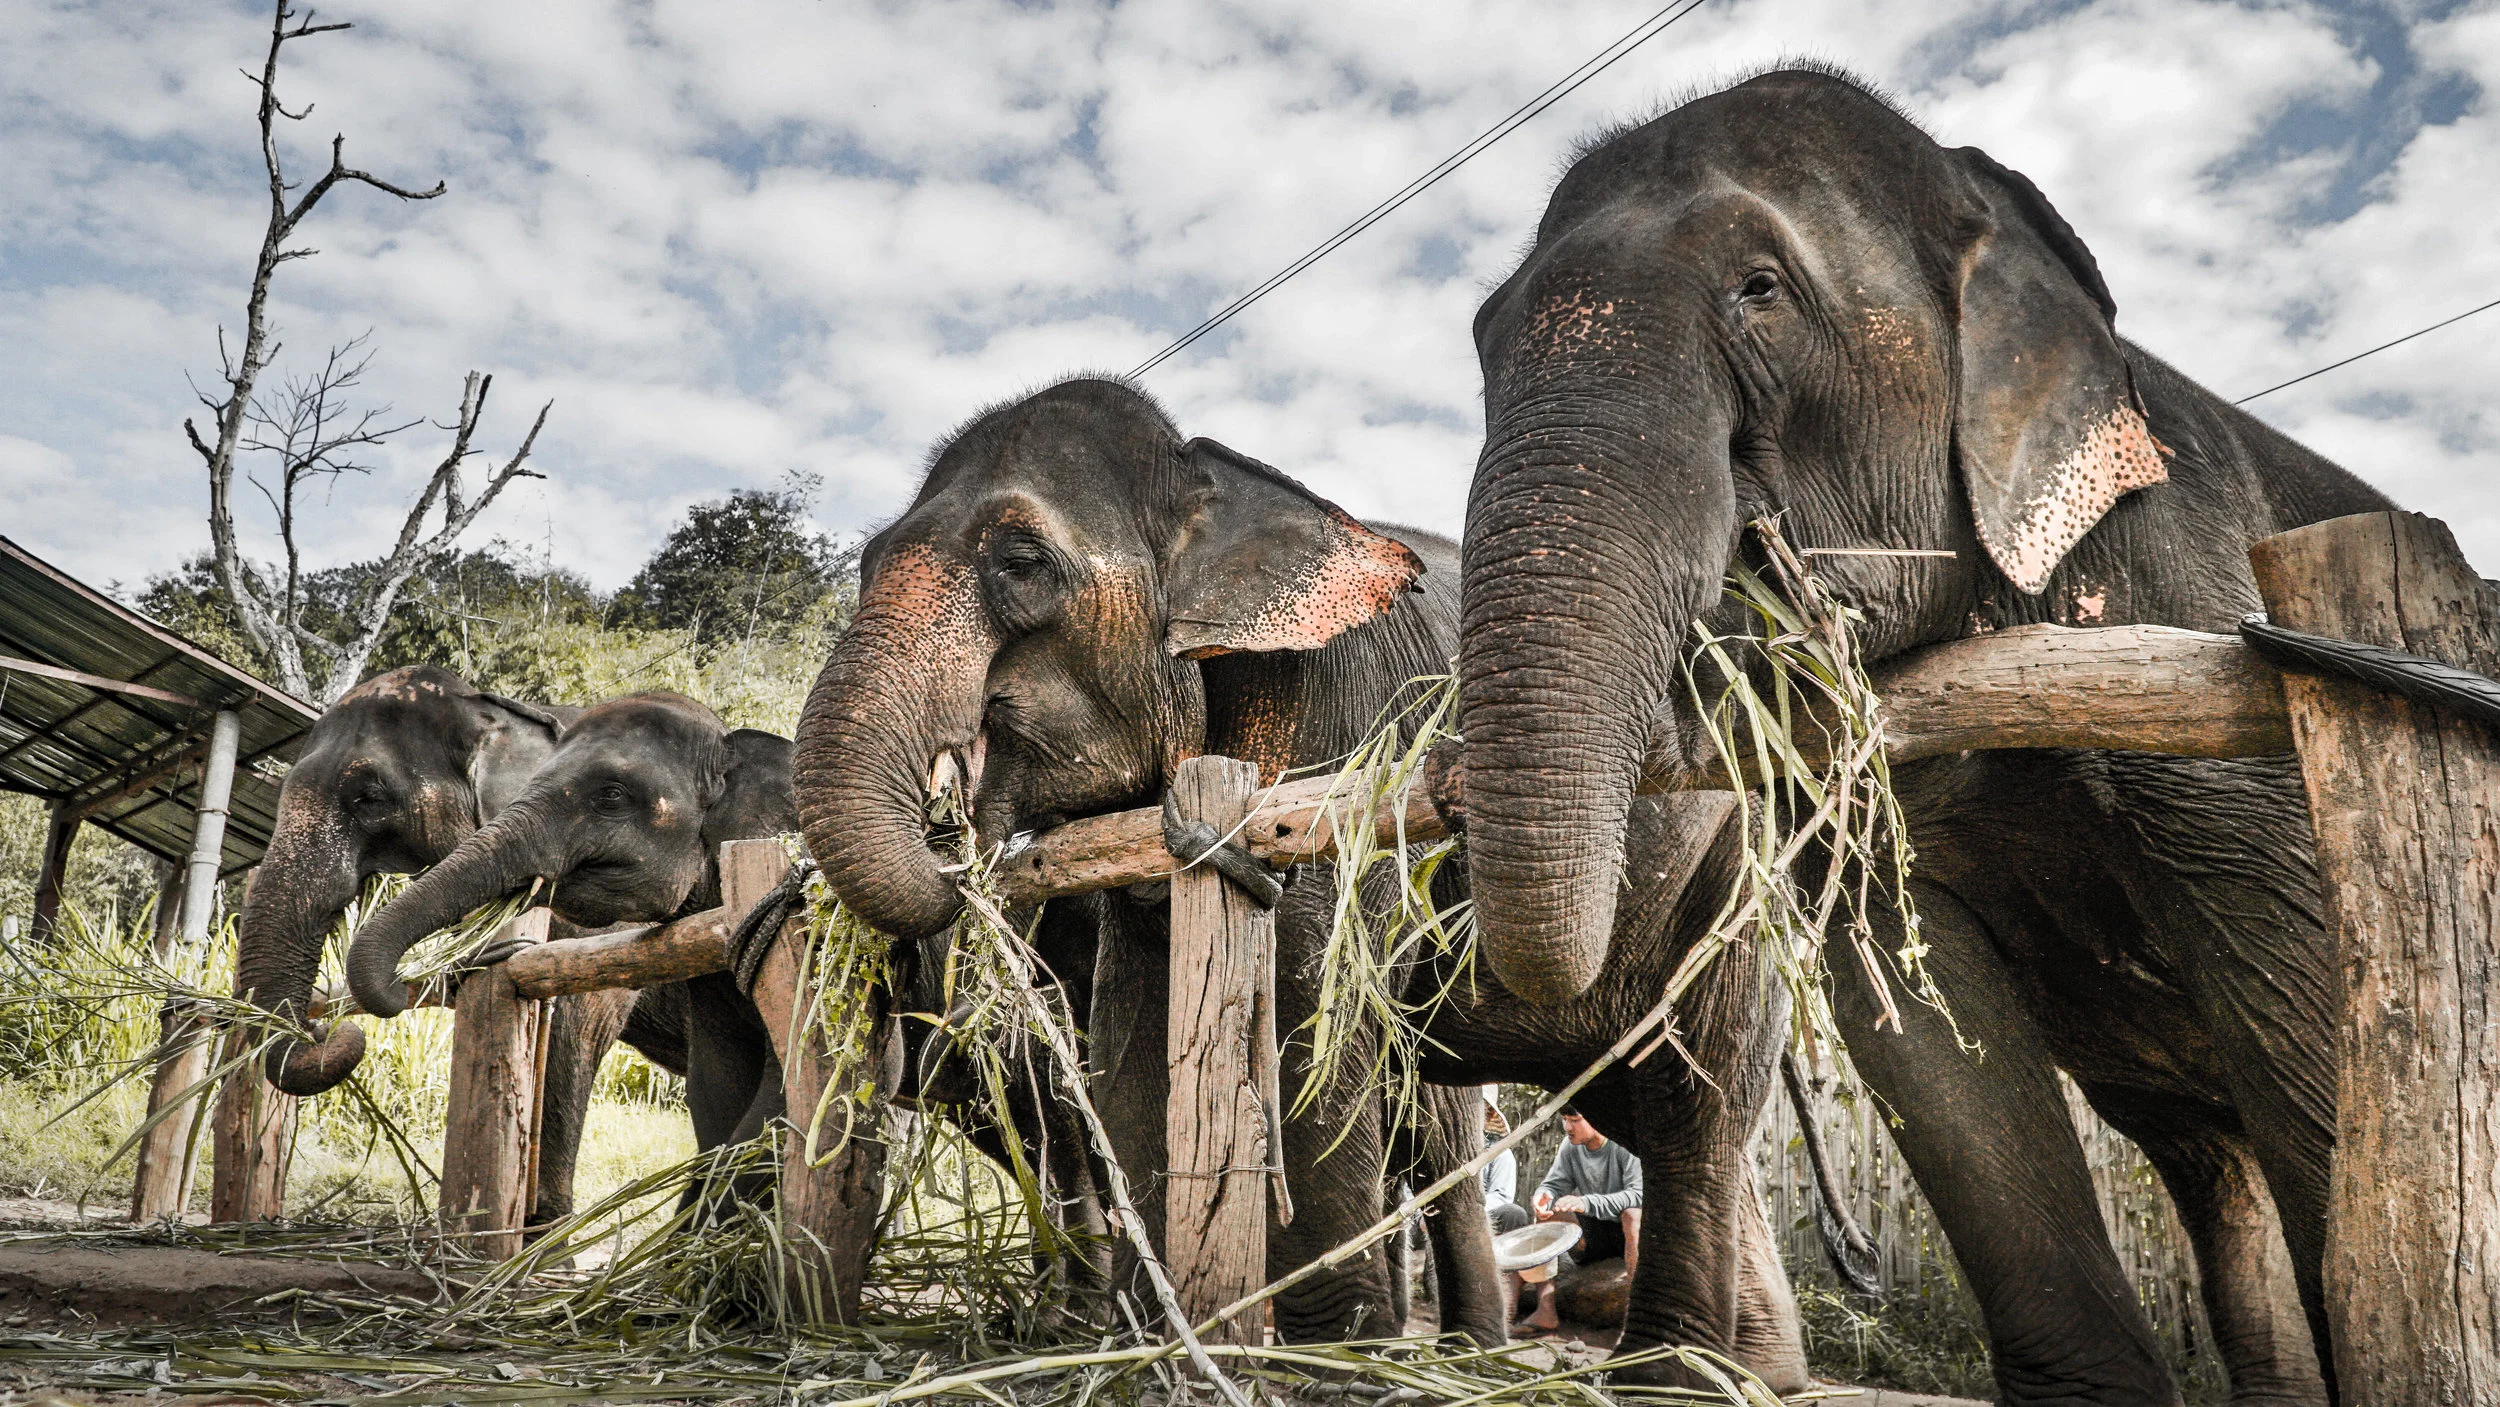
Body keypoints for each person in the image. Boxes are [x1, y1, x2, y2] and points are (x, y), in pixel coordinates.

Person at [1517, 1103, 1641, 1333]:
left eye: (1575, 1121)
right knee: (1548, 1213)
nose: (1567, 1127)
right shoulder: (1570, 1146)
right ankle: (1546, 1311)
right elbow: (1554, 1184)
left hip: (1629, 1234)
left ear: (1597, 1119)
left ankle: (1636, 1311)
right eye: (1565, 1119)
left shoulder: (1624, 1144)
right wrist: (1544, 1194)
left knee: (1633, 1214)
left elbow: (1638, 1195)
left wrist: (1586, 1202)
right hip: (1594, 1236)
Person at [1481, 1087, 1528, 1233]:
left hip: (1482, 1216)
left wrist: (1471, 1210)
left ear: (1487, 1113)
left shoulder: (1500, 1153)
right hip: (1437, 1215)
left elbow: (1501, 1197)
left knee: (1513, 1214)